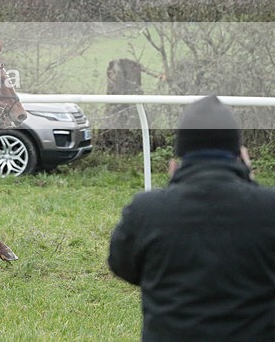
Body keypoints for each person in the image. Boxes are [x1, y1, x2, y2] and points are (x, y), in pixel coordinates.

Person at [108, 95, 275, 341]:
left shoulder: (146, 211)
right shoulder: (268, 208)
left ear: (176, 161)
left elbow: (122, 266)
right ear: (241, 155)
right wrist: (248, 182)